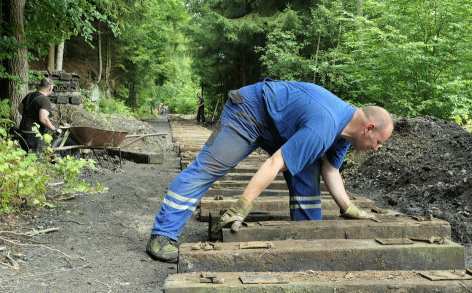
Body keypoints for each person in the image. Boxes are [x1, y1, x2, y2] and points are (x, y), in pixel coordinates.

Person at [146, 79, 393, 262]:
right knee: (209, 167)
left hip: (283, 128)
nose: (376, 149)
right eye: (379, 142)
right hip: (250, 112)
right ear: (368, 128)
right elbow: (275, 163)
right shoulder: (325, 126)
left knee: (308, 178)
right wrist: (241, 208)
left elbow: (331, 172)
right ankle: (162, 235)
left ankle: (306, 242)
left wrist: (349, 209)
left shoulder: (343, 136)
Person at [16, 77, 60, 151]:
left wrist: (29, 116)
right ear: (50, 88)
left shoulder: (29, 95)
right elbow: (43, 119)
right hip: (33, 135)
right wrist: (55, 129)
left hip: (22, 132)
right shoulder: (44, 100)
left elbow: (20, 109)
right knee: (36, 158)